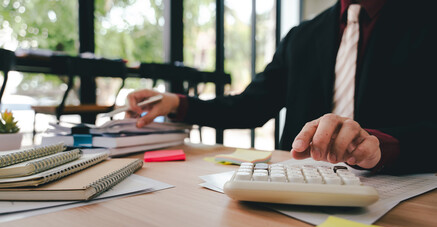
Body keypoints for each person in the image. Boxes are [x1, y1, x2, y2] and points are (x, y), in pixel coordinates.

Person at [126, 0, 437, 174]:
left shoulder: (426, 20)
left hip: (397, 186)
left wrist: (381, 146)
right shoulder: (301, 36)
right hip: (297, 182)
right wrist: (178, 103)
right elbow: (250, 107)